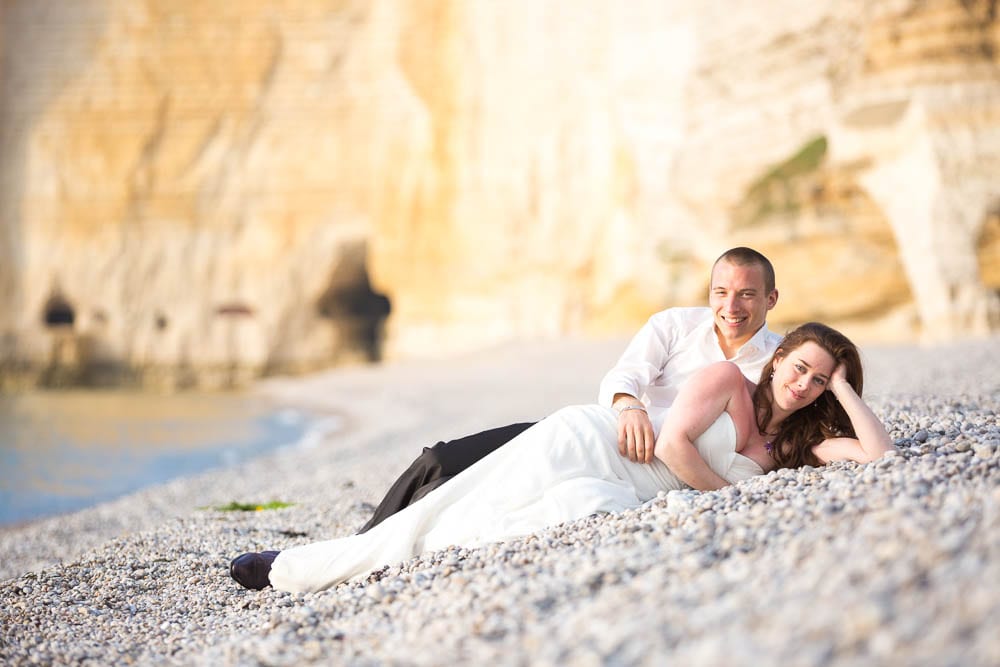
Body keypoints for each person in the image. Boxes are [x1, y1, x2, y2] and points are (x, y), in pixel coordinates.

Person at [231, 322, 895, 593]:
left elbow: (877, 453)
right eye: (801, 367)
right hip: (591, 440)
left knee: (471, 536)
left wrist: (842, 383)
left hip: (632, 492)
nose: (802, 383)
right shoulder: (726, 382)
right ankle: (290, 567)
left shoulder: (793, 446)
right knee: (449, 511)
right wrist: (730, 493)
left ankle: (333, 564)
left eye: (817, 380)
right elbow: (669, 445)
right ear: (778, 358)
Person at [356, 246, 783, 533]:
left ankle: (373, 549)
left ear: (771, 299)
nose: (731, 307)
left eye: (746, 295)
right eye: (721, 292)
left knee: (460, 498)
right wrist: (629, 405)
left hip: (640, 473)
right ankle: (364, 538)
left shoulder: (780, 365)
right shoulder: (675, 324)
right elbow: (624, 376)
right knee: (438, 460)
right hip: (593, 434)